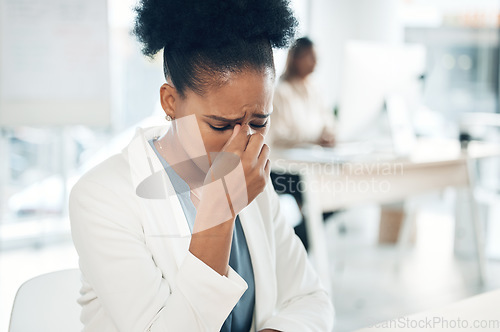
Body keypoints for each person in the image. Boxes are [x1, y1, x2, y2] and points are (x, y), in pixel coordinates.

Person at [69, 1, 334, 331]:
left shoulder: (253, 181)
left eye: (259, 121)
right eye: (221, 125)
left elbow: (311, 298)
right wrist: (220, 211)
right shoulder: (102, 197)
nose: (243, 143)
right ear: (170, 102)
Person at [269, 37, 336, 251]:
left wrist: (328, 134)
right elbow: (279, 134)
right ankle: (294, 248)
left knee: (336, 196)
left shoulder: (314, 89)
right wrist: (312, 138)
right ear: (296, 58)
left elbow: (327, 121)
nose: (315, 63)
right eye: (311, 57)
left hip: (312, 163)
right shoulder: (279, 91)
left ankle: (293, 246)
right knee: (320, 196)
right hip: (283, 167)